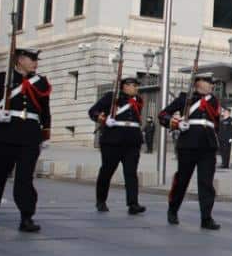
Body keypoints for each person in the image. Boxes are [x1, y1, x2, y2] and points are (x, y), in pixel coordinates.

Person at [0, 48, 52, 232]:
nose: (35, 62)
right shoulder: (1, 79)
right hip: (5, 134)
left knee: (25, 178)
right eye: (31, 59)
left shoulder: (40, 83)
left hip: (30, 135)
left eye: (36, 59)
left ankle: (26, 216)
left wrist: (44, 135)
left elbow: (45, 111)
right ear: (19, 60)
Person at [158, 71, 221, 230]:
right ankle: (173, 209)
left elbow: (217, 123)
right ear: (198, 83)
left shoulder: (214, 101)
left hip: (208, 146)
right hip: (188, 144)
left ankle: (206, 218)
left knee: (206, 183)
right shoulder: (185, 99)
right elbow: (163, 115)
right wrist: (176, 124)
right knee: (182, 180)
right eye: (208, 82)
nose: (212, 85)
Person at [87, 75, 146, 215]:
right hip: (113, 140)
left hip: (132, 141)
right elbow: (93, 111)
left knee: (131, 173)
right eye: (134, 85)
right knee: (107, 171)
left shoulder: (138, 100)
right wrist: (104, 119)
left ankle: (133, 204)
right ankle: (101, 201)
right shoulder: (111, 97)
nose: (136, 88)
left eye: (137, 85)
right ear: (125, 86)